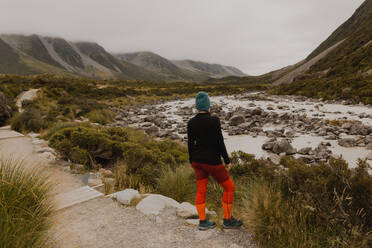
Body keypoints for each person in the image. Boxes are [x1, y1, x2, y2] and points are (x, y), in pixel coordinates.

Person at [187, 91, 243, 231]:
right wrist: (227, 160)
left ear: (197, 106)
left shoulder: (191, 122)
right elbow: (220, 142)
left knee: (201, 191)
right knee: (229, 187)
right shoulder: (214, 120)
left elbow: (190, 143)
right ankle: (227, 220)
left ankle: (203, 222)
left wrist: (191, 160)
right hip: (212, 162)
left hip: (197, 162)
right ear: (208, 105)